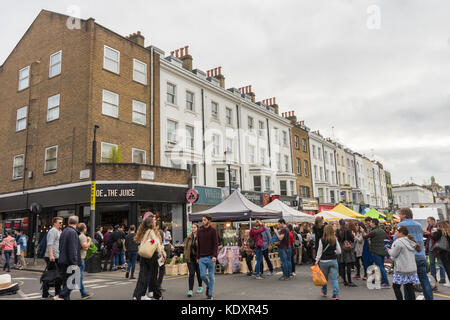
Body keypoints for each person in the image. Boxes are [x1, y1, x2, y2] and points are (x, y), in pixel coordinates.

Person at [397, 208, 434, 300]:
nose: (399, 216)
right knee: (424, 280)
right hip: (420, 255)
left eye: (400, 214)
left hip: (408, 257)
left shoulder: (401, 225)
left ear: (404, 215)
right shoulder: (418, 225)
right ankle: (430, 298)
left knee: (407, 282)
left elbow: (397, 240)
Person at [132, 214, 165, 300]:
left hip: (143, 255)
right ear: (151, 223)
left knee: (142, 276)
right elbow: (157, 244)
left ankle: (138, 295)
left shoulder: (143, 232)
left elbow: (140, 242)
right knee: (153, 276)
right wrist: (161, 252)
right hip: (152, 255)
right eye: (154, 221)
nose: (155, 222)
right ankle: (157, 295)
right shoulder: (151, 231)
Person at [388, 226, 421, 300]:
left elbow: (393, 254)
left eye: (396, 231)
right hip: (411, 268)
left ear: (401, 233)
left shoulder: (399, 242)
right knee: (409, 287)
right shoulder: (410, 241)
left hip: (401, 269)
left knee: (396, 287)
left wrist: (388, 250)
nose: (395, 233)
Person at [55, 215, 82, 300]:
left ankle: (65, 297)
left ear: (68, 222)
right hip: (70, 261)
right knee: (73, 282)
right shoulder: (73, 233)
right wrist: (75, 263)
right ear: (77, 223)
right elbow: (73, 250)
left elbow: (60, 246)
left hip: (62, 260)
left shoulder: (64, 231)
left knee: (66, 283)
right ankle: (60, 295)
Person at [315, 223, 341, 300]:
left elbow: (319, 252)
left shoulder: (321, 240)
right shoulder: (335, 239)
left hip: (323, 262)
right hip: (333, 260)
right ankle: (335, 294)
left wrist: (316, 260)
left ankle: (324, 291)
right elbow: (339, 251)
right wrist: (333, 252)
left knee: (324, 278)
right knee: (334, 279)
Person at [363, 218, 390, 288]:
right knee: (381, 266)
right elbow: (388, 239)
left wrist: (363, 231)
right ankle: (384, 281)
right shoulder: (382, 231)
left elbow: (365, 237)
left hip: (376, 251)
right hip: (383, 251)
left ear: (374, 223)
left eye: (371, 222)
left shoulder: (374, 231)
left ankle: (386, 282)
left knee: (380, 267)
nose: (370, 223)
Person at [197, 214, 218, 300]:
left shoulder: (213, 231)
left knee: (211, 275)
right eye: (202, 220)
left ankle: (210, 294)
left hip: (210, 257)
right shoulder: (200, 231)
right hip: (201, 257)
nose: (203, 221)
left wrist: (214, 256)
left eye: (205, 220)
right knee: (202, 275)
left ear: (209, 221)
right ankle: (209, 286)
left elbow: (215, 244)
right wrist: (198, 257)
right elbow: (198, 245)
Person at [42, 217, 63, 299]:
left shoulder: (57, 231)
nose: (61, 224)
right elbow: (50, 244)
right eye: (59, 222)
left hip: (56, 256)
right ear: (54, 223)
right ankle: (53, 294)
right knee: (52, 276)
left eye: (61, 222)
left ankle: (48, 294)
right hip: (52, 257)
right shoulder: (53, 231)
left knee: (55, 276)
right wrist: (51, 255)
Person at [424, 217, 446, 284]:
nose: (428, 223)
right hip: (431, 248)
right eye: (427, 221)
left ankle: (442, 278)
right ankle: (433, 278)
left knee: (440, 263)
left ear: (433, 221)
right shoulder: (429, 227)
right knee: (432, 264)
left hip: (437, 248)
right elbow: (429, 237)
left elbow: (436, 237)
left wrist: (429, 233)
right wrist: (425, 233)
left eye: (429, 221)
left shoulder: (438, 227)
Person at [184, 223, 203, 297]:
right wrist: (186, 256)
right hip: (190, 258)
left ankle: (200, 286)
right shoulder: (189, 237)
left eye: (194, 227)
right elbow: (186, 248)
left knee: (198, 273)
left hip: (198, 258)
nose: (193, 229)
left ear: (197, 228)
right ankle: (190, 290)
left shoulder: (200, 236)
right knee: (191, 273)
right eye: (192, 227)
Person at [77, 223, 94, 299]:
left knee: (78, 277)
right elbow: (85, 247)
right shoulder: (82, 236)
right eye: (86, 227)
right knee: (78, 278)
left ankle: (83, 293)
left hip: (79, 258)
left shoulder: (79, 236)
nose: (86, 229)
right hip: (80, 259)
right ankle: (63, 294)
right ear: (84, 229)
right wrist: (89, 240)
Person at [337, 220, 357, 287]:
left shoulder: (338, 231)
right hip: (347, 249)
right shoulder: (348, 230)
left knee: (342, 266)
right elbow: (352, 239)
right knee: (348, 266)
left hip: (341, 248)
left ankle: (344, 281)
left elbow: (338, 239)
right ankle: (349, 281)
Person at [431, 221, 450, 288]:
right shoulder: (448, 231)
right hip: (448, 251)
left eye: (438, 226)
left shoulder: (439, 231)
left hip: (443, 251)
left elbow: (434, 238)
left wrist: (434, 232)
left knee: (447, 267)